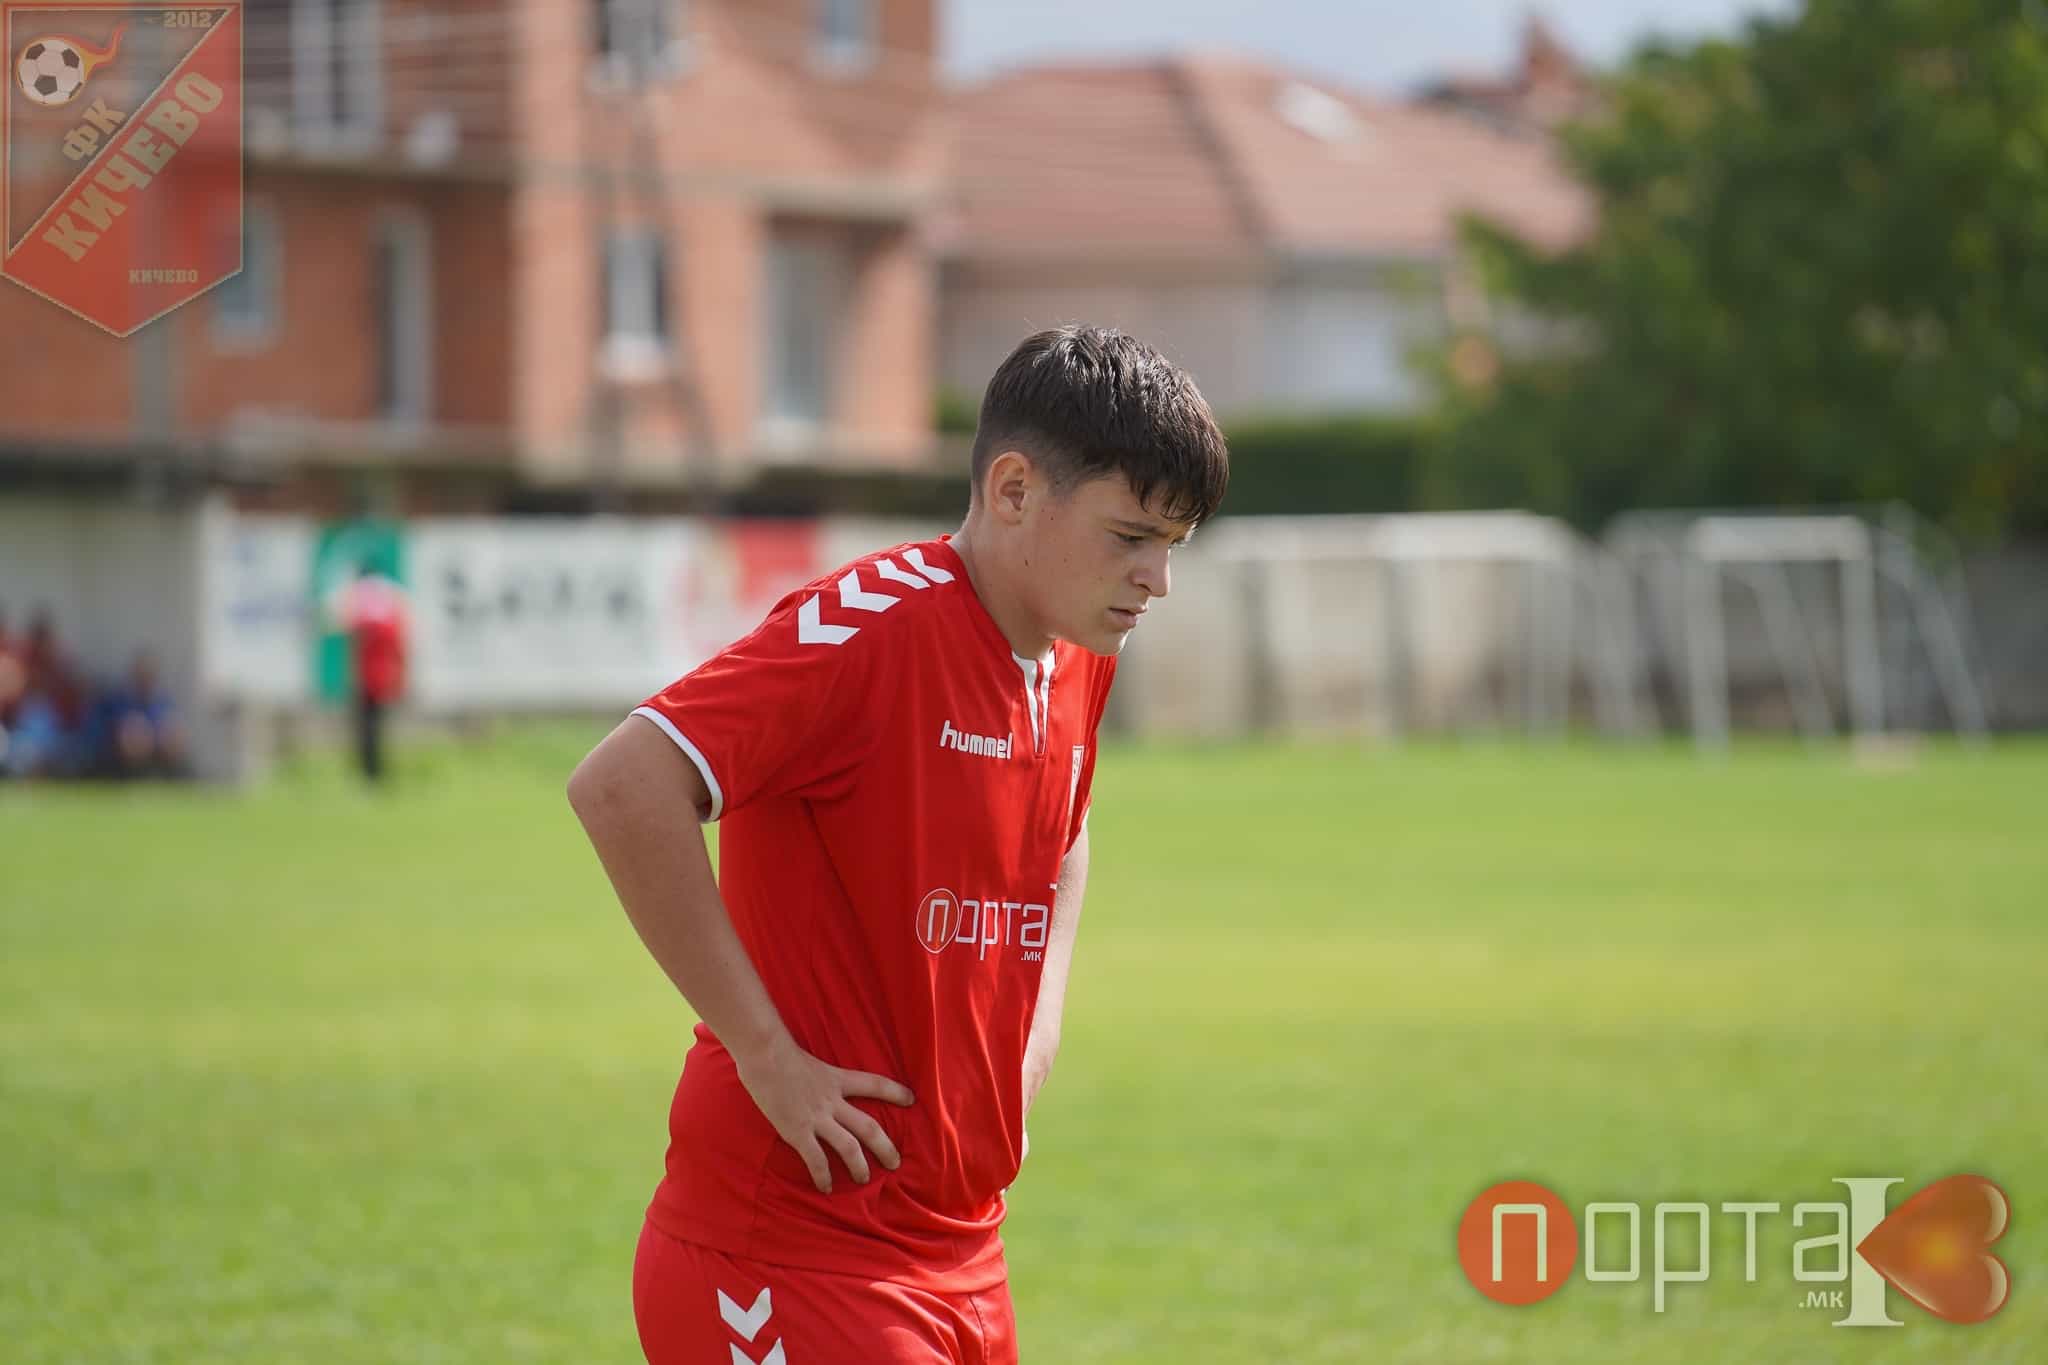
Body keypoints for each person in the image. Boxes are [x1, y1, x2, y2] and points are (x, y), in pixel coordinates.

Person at [567, 325, 1229, 1365]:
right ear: (1013, 490)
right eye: (1130, 537)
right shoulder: (868, 628)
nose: (1158, 578)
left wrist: (1037, 1030)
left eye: (1173, 545)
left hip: (959, 1248)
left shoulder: (1076, 656)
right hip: (785, 1250)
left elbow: (1065, 830)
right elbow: (623, 784)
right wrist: (766, 1054)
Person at [329, 564, 410, 783]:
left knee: (368, 727)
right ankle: (373, 771)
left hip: (369, 676)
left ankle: (371, 772)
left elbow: (342, 625)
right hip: (381, 676)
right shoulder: (389, 605)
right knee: (373, 726)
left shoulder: (363, 609)